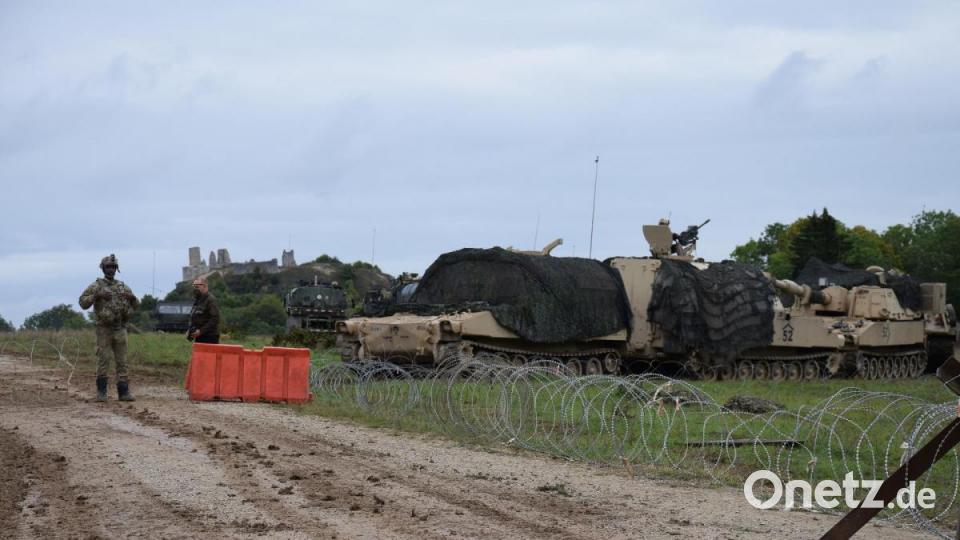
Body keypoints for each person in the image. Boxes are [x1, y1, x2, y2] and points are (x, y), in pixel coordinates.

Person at [78, 254, 139, 402]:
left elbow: (136, 305)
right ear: (103, 268)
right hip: (103, 329)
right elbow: (82, 303)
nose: (111, 269)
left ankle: (123, 392)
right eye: (108, 267)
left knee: (122, 361)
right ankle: (101, 393)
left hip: (120, 328)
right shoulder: (96, 286)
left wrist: (132, 298)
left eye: (113, 267)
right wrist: (97, 295)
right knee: (103, 360)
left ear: (116, 269)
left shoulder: (123, 286)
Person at [188, 277, 220, 344]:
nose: (194, 289)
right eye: (193, 286)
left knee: (209, 355)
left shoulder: (211, 300)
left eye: (197, 286)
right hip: (200, 336)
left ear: (204, 286)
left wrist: (201, 331)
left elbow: (215, 319)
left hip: (210, 337)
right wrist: (190, 330)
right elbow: (195, 316)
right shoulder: (198, 300)